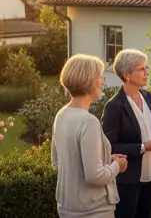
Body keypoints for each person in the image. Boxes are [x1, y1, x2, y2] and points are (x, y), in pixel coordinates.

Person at [51, 54, 128, 218]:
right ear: (88, 81)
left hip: (67, 207)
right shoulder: (88, 122)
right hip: (93, 210)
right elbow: (95, 176)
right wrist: (117, 165)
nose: (102, 82)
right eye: (100, 77)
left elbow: (59, 163)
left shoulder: (61, 115)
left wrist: (105, 158)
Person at [101, 49, 151, 218]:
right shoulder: (114, 107)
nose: (147, 73)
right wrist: (144, 147)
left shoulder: (148, 97)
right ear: (126, 74)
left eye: (147, 68)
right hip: (128, 181)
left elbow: (148, 130)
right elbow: (109, 147)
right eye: (141, 69)